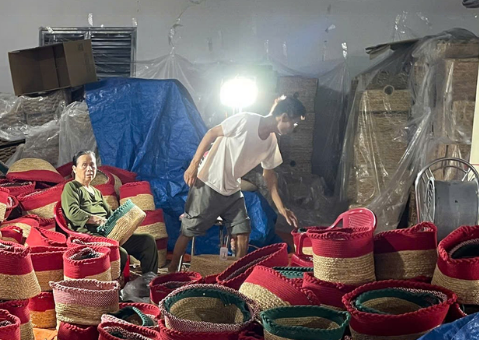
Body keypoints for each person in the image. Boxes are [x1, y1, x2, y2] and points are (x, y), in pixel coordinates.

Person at [171, 95, 305, 266]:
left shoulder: (271, 142)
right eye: (294, 123)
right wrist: (194, 165)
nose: (293, 129)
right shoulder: (246, 120)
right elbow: (212, 133)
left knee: (242, 232)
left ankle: (235, 273)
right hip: (208, 183)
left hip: (232, 190)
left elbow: (269, 177)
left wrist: (281, 208)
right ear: (284, 117)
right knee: (189, 230)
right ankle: (172, 268)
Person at [61, 150, 159, 280]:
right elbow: (72, 213)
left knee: (147, 241)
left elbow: (110, 215)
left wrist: (125, 222)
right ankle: (114, 288)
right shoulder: (71, 187)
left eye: (92, 165)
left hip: (108, 234)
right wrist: (96, 219)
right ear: (74, 169)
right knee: (119, 253)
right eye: (84, 165)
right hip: (89, 237)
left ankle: (148, 283)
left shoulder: (96, 192)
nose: (89, 169)